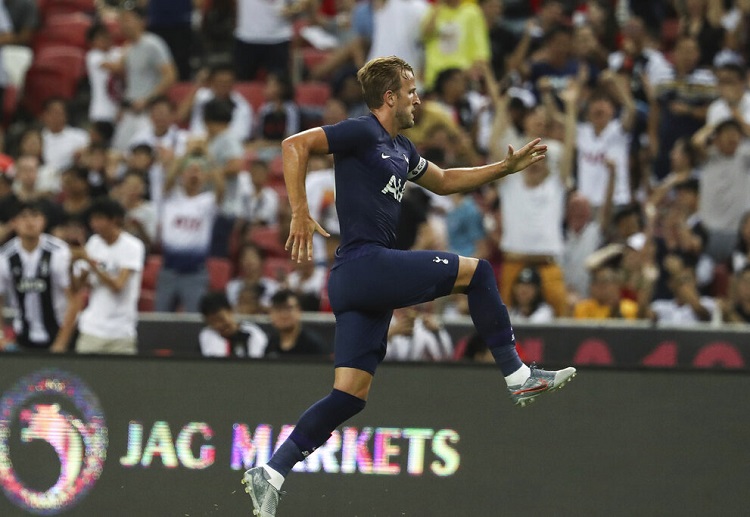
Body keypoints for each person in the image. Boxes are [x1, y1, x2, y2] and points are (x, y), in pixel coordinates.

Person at [240, 55, 576, 516]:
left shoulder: (403, 150)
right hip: (364, 265)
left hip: (359, 282)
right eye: (411, 90)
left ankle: (272, 471)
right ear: (389, 97)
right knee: (477, 272)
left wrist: (503, 168)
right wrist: (299, 210)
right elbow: (293, 145)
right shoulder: (362, 132)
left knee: (349, 396)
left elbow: (444, 181)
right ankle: (518, 376)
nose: (418, 98)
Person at [70, 198, 145, 354]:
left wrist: (90, 262)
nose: (94, 224)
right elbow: (79, 286)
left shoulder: (133, 246)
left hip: (122, 331)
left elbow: (118, 285)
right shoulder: (93, 243)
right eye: (92, 219)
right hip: (92, 328)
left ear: (114, 219)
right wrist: (71, 264)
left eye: (99, 219)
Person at [0, 201, 78, 352]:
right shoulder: (5, 256)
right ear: (14, 222)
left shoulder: (59, 252)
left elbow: (74, 299)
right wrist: (1, 336)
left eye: (35, 216)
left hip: (58, 333)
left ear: (44, 221)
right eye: (24, 217)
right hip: (22, 336)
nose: (30, 222)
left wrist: (62, 342)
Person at [198, 291, 268, 357]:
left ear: (230, 311)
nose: (218, 325)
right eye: (212, 322)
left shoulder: (253, 333)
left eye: (220, 319)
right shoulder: (207, 335)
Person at [264, 289, 327, 358]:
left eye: (289, 308)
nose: (283, 315)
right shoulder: (271, 343)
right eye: (278, 309)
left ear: (299, 311)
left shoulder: (312, 345)